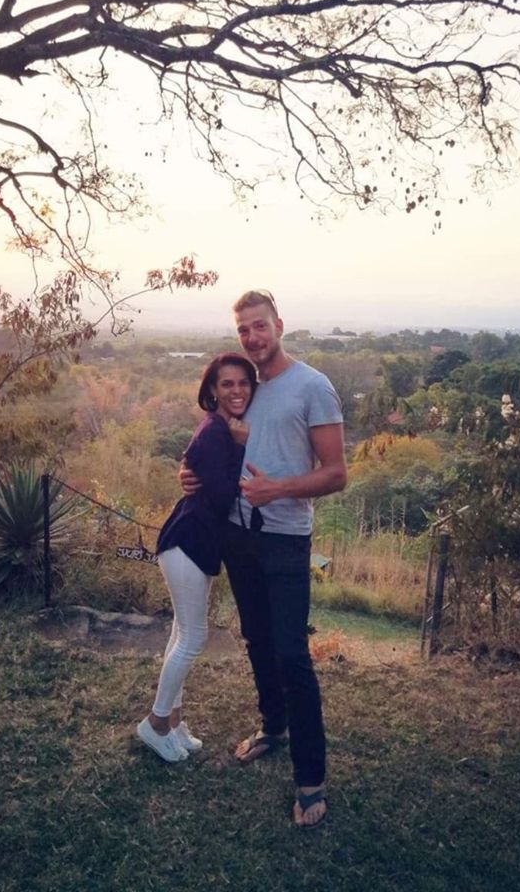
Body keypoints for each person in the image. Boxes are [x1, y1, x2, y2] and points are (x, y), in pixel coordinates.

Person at [182, 290, 347, 828]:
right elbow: (219, 447)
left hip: (284, 539)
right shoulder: (243, 387)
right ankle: (273, 728)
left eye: (260, 327)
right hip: (237, 535)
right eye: (243, 331)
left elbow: (336, 473)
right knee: (255, 638)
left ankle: (311, 778)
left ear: (279, 324)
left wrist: (279, 491)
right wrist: (193, 475)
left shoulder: (312, 386)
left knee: (292, 654)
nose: (252, 338)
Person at [136, 352, 257, 763]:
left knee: (180, 634)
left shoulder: (220, 431)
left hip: (194, 546)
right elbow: (225, 496)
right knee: (192, 637)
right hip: (186, 543)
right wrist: (241, 448)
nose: (237, 390)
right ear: (212, 390)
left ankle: (173, 722)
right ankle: (154, 724)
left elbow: (208, 483)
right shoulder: (216, 433)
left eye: (243, 383)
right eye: (227, 384)